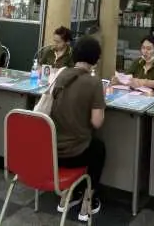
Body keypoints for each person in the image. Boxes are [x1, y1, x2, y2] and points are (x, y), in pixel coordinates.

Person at [49, 36, 106, 222]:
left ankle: (69, 193)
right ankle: (88, 199)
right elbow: (97, 122)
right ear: (95, 59)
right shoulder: (94, 83)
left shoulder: (61, 75)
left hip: (53, 150)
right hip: (75, 153)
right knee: (98, 148)